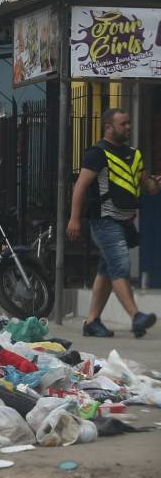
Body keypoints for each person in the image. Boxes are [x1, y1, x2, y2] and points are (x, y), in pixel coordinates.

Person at [67, 108, 161, 338]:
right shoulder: (97, 153)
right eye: (123, 124)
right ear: (108, 127)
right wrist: (74, 219)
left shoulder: (134, 155)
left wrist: (154, 184)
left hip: (126, 221)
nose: (128, 127)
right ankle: (136, 316)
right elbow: (80, 186)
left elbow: (146, 185)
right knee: (120, 264)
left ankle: (92, 321)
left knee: (107, 270)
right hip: (104, 220)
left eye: (129, 123)